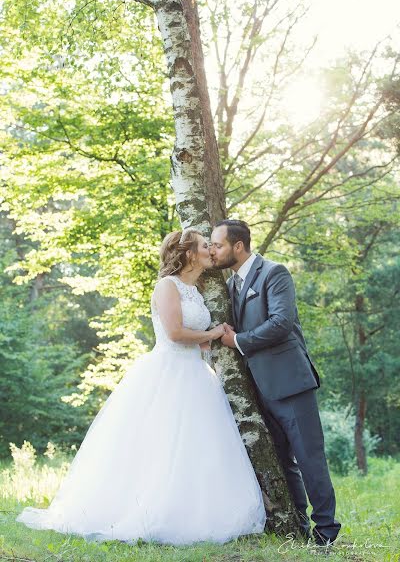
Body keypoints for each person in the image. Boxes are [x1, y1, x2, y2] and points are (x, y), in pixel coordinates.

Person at [16, 228, 267, 545]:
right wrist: (214, 333)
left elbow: (196, 339)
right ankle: (146, 510)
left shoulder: (198, 290)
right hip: (166, 372)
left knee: (195, 446)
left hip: (196, 374)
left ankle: (191, 509)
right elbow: (174, 333)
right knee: (159, 445)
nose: (212, 250)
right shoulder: (167, 286)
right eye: (206, 246)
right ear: (189, 253)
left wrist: (215, 344)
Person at [209, 219, 341, 547]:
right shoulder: (230, 286)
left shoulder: (274, 273)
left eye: (219, 245)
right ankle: (298, 523)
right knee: (283, 461)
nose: (214, 251)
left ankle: (326, 533)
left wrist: (238, 341)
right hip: (261, 389)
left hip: (291, 383)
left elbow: (281, 323)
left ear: (238, 247)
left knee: (310, 458)